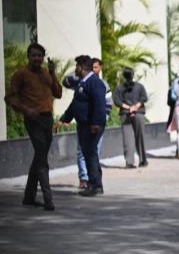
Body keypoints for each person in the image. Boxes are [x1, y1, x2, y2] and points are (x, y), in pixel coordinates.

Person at [5, 42, 62, 210]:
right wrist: (26, 110)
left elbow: (58, 93)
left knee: (39, 156)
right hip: (33, 120)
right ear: (28, 57)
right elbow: (9, 98)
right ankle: (48, 199)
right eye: (34, 55)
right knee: (42, 159)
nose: (37, 58)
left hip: (47, 119)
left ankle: (29, 197)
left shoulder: (46, 73)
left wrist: (53, 72)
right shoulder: (21, 74)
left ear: (43, 57)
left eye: (39, 55)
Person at [58, 55, 107, 197]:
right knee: (89, 154)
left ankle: (95, 186)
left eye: (77, 66)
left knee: (90, 154)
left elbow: (99, 104)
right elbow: (75, 104)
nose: (76, 69)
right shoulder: (82, 82)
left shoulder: (94, 82)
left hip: (91, 125)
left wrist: (96, 123)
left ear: (82, 67)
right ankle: (96, 184)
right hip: (84, 124)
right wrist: (64, 118)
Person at [114, 67, 149, 168]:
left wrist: (128, 107)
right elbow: (144, 98)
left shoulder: (119, 88)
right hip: (138, 113)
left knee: (127, 139)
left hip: (126, 114)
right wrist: (135, 107)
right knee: (140, 138)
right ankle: (143, 160)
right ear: (133, 75)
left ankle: (129, 162)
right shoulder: (140, 86)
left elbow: (117, 101)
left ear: (124, 76)